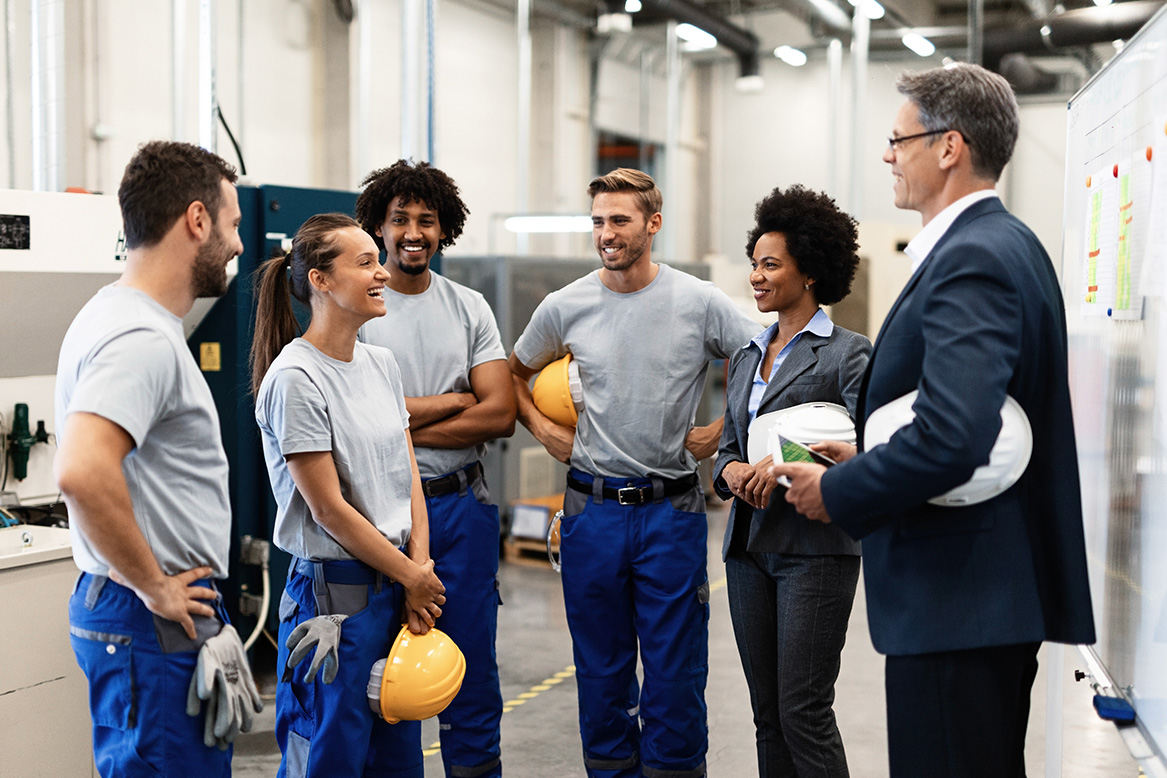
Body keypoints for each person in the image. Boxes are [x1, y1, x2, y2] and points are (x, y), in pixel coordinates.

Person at [771, 63, 1096, 778]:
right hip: (981, 596)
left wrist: (839, 492)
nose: (888, 155)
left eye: (897, 139)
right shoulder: (1004, 243)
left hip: (958, 595)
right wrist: (863, 456)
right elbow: (967, 414)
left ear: (947, 146)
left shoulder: (971, 257)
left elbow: (954, 434)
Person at [508, 168, 760, 778]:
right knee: (600, 672)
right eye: (597, 221)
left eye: (619, 220)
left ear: (653, 222)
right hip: (590, 513)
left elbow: (765, 358)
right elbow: (511, 375)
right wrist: (545, 432)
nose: (606, 234)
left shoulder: (697, 301)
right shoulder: (564, 306)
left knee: (675, 675)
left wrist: (721, 433)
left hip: (669, 513)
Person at [54, 140, 262, 777]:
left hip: (140, 614)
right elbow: (83, 469)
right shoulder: (141, 337)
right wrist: (156, 586)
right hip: (147, 619)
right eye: (230, 225)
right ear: (196, 220)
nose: (237, 245)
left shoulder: (113, 315)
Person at [250, 213, 447, 778]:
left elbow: (408, 476)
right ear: (321, 281)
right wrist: (412, 577)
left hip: (395, 591)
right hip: (334, 600)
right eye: (365, 262)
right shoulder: (295, 379)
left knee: (396, 758)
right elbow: (328, 509)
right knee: (330, 755)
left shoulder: (381, 364)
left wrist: (416, 569)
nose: (382, 272)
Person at [355, 159, 515, 778]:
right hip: (380, 515)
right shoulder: (360, 307)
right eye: (400, 219)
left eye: (427, 220)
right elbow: (355, 421)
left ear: (445, 229)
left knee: (471, 669)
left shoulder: (469, 307)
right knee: (380, 676)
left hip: (460, 510)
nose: (413, 232)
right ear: (379, 227)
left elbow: (500, 413)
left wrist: (395, 419)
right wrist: (454, 399)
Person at [712, 184, 870, 778]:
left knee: (803, 709)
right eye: (753, 264)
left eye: (770, 264)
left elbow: (868, 447)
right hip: (748, 549)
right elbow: (727, 449)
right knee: (767, 714)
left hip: (815, 550)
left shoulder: (847, 355)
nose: (756, 276)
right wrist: (730, 471)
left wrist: (778, 463)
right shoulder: (747, 356)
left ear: (809, 271)